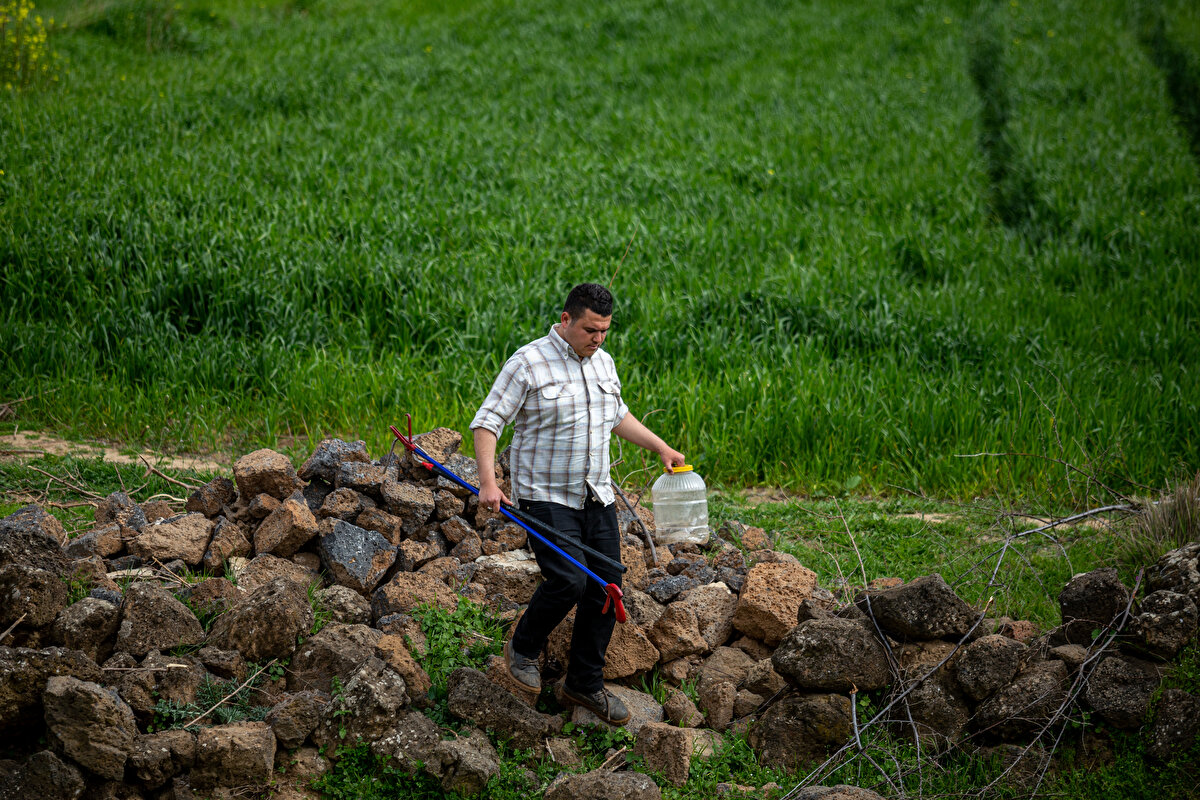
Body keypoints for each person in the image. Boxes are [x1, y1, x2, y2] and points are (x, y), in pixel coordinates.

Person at [470, 282, 685, 725]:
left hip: (596, 494)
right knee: (567, 579)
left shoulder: (603, 362)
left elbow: (618, 415)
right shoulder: (527, 363)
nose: (599, 338)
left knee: (608, 587)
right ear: (566, 319)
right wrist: (488, 482)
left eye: (605, 330)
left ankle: (584, 684)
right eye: (591, 329)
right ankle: (524, 647)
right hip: (544, 496)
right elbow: (488, 421)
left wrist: (660, 447)